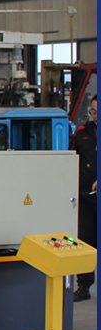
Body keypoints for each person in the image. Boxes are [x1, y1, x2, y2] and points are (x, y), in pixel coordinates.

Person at [72, 95, 97, 302]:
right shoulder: (82, 133)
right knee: (85, 242)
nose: (96, 115)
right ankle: (83, 286)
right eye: (93, 111)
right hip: (86, 198)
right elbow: (71, 159)